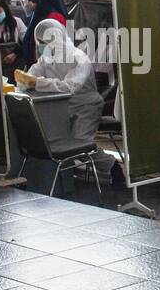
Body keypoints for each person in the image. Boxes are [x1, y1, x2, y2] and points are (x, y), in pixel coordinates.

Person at [12, 19, 122, 185]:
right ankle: (66, 179)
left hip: (85, 106)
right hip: (58, 106)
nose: (42, 46)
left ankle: (112, 166)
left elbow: (70, 87)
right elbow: (29, 77)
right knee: (55, 143)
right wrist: (24, 80)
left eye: (45, 42)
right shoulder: (46, 59)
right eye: (40, 42)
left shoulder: (79, 58)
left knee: (81, 144)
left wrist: (38, 82)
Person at [11, 0, 69, 69]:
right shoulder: (39, 14)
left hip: (48, 70)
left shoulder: (54, 17)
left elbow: (50, 52)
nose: (25, 3)